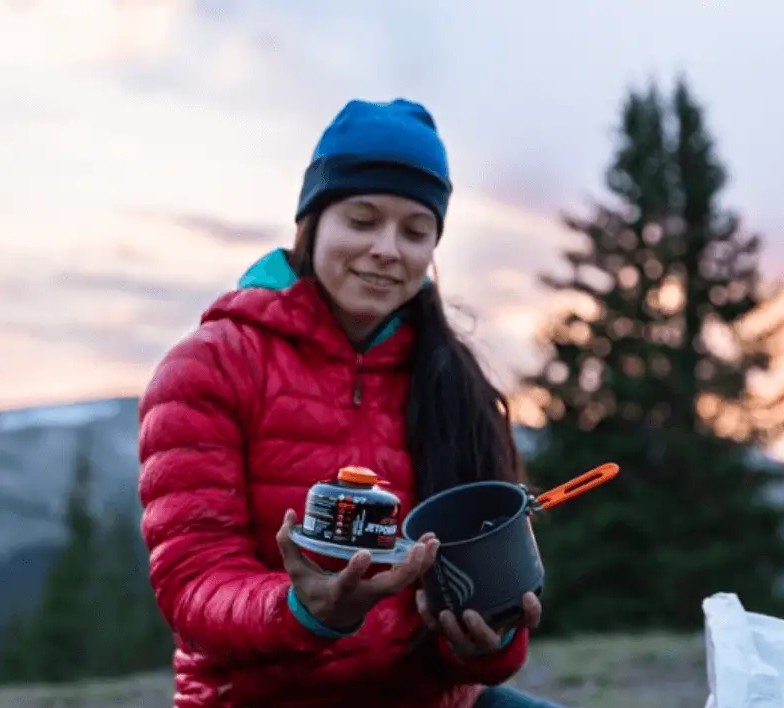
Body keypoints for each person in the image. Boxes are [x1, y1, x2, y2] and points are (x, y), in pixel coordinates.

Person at [138, 98, 565, 708]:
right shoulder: (209, 367)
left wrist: (487, 642)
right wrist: (301, 610)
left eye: (416, 231)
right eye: (362, 220)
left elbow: (485, 594)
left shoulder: (455, 382)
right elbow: (193, 584)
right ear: (311, 225)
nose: (388, 249)